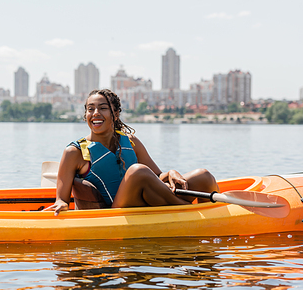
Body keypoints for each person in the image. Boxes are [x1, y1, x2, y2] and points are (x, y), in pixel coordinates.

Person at [44, 89, 219, 216]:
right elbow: (61, 199)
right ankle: (189, 212)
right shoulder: (74, 152)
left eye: (103, 108)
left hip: (144, 202)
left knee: (204, 176)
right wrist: (60, 203)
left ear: (116, 114)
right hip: (115, 213)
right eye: (90, 109)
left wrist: (170, 173)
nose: (95, 113)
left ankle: (210, 219)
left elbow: (157, 176)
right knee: (137, 171)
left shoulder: (131, 142)